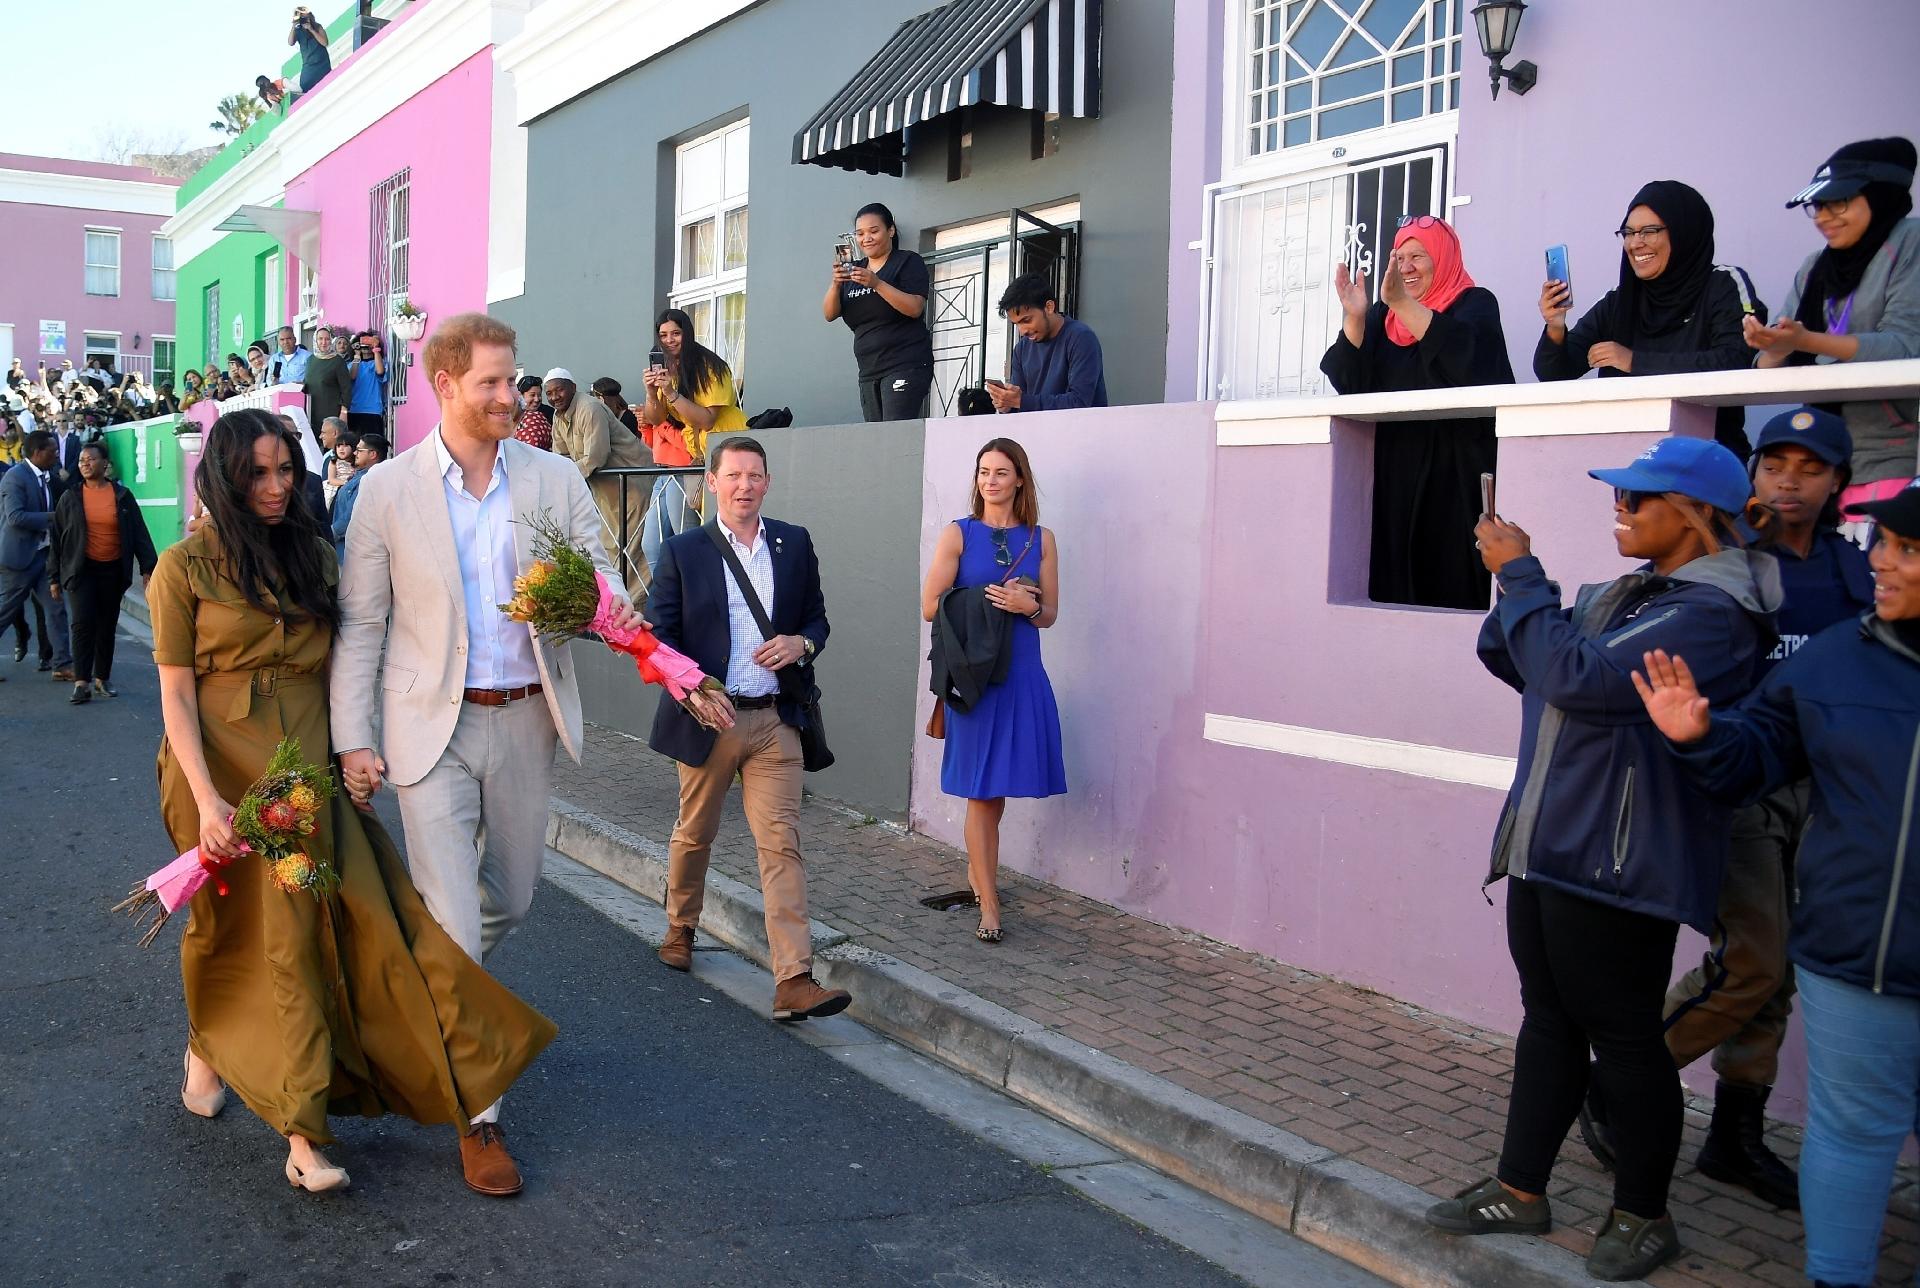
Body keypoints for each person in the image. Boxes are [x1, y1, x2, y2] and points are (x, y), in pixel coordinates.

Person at [154, 407, 554, 1196]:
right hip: (222, 770)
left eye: (285, 470)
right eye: (257, 474)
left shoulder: (315, 556)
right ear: (226, 481)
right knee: (258, 930)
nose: (275, 487)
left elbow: (363, 651)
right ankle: (297, 1130)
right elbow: (173, 693)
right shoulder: (184, 567)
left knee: (345, 926)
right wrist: (205, 802)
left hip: (307, 765)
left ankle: (236, 1062)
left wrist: (358, 749)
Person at [1425, 436, 1780, 1281]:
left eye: (1637, 497)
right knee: (1548, 1019)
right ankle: (1519, 1190)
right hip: (1551, 841)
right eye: (1618, 495)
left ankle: (1644, 1215)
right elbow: (1520, 657)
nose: (1618, 508)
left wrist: (1524, 581)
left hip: (1621, 860)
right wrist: (1523, 601)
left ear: (1694, 515)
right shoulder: (1634, 594)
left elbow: (1576, 679)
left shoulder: (1712, 615)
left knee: (1624, 1040)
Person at [332, 313, 645, 1193]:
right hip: (429, 728)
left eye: (514, 381)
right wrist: (353, 737)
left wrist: (642, 642)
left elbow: (603, 579)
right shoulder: (387, 491)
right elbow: (362, 625)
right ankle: (481, 1117)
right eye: (495, 384)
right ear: (446, 384)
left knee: (511, 893)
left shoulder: (551, 477)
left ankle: (413, 984)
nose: (514, 397)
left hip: (525, 719)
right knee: (459, 923)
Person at [1583, 409, 1875, 1207]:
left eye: (1809, 468)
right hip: (1740, 782)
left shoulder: (1855, 575)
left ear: (1839, 483)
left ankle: (1735, 1132)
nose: (1787, 480)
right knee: (1752, 962)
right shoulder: (1721, 563)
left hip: (1828, 794)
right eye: (1772, 463)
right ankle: (1615, 1080)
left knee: (1775, 977)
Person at [1632, 483, 1920, 1288]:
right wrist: (1703, 735)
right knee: (1853, 1134)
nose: (1882, 564)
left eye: (1907, 551)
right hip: (1856, 959)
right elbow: (1753, 753)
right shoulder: (1838, 655)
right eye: (1883, 543)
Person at [647, 437, 849, 1021]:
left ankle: (794, 978)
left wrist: (800, 644)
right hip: (711, 717)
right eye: (733, 475)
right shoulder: (684, 551)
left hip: (773, 720)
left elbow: (818, 619)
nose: (744, 485)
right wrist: (694, 691)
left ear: (767, 482)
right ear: (712, 483)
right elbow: (660, 638)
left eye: (755, 475)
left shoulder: (794, 543)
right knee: (695, 832)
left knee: (781, 843)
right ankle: (681, 926)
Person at [1322, 215, 1515, 609]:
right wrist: (1355, 318)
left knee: (1453, 579)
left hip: (1456, 470)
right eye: (1399, 256)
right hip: (1397, 467)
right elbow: (1350, 384)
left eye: (1418, 256)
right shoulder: (1382, 316)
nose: (1406, 266)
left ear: (1443, 258)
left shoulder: (1475, 304)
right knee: (1394, 582)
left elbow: (1471, 366)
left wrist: (1402, 303)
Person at [920, 438, 1066, 942]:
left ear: (1019, 479)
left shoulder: (1042, 539)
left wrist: (1027, 607)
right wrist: (992, 599)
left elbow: (1048, 615)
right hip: (976, 679)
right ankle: (989, 902)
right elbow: (930, 605)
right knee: (981, 793)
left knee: (996, 791)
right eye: (984, 471)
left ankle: (978, 877)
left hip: (1022, 674)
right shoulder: (958, 534)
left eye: (1002, 472)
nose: (991, 480)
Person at [1747, 137, 1919, 528]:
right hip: (1818, 466)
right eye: (1817, 205)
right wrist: (1769, 346)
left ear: (1880, 197)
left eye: (1837, 202)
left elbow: (1907, 346)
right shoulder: (1814, 265)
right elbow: (1771, 363)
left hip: (1889, 459)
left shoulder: (1912, 241)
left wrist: (1805, 340)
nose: (1824, 216)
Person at [1536, 181, 1764, 459]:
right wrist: (1556, 326)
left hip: (1708, 463)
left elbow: (1735, 360)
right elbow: (1555, 373)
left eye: (1649, 231)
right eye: (1628, 232)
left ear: (1684, 232)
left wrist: (1634, 361)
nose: (1635, 243)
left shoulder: (1723, 284)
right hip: (1627, 463)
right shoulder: (1620, 300)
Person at [638, 309, 745, 575]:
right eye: (663, 335)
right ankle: (668, 602)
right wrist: (651, 393)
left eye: (676, 333)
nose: (670, 340)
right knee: (653, 543)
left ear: (688, 333)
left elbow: (707, 419)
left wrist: (672, 393)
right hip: (694, 459)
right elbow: (656, 418)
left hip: (724, 451)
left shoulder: (710, 366)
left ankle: (695, 599)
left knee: (690, 538)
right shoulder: (667, 368)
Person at [49, 441, 156, 702]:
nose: (85, 464)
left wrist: (148, 568)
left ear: (105, 463)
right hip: (81, 569)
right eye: (82, 460)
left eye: (91, 459)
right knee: (82, 623)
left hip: (112, 570)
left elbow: (139, 533)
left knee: (106, 625)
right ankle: (81, 681)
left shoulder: (122, 496)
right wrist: (53, 576)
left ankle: (102, 678)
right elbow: (57, 538)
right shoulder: (71, 496)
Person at [822, 202, 933, 421]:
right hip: (868, 370)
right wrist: (835, 284)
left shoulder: (907, 261)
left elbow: (915, 308)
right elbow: (829, 314)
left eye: (874, 231)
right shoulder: (855, 269)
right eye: (860, 234)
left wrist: (877, 283)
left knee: (895, 433)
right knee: (877, 438)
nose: (867, 238)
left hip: (905, 363)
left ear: (890, 230)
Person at [545, 367, 650, 583]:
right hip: (606, 490)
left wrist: (564, 477)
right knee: (611, 547)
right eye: (550, 393)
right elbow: (560, 457)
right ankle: (618, 604)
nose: (554, 397)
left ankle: (635, 607)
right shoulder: (558, 416)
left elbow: (596, 457)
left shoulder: (590, 408)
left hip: (631, 484)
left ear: (573, 388)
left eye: (559, 390)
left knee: (631, 550)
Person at [0, 431, 75, 684]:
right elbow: (16, 517)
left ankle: (62, 664)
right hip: (19, 559)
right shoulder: (15, 477)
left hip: (44, 558)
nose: (57, 453)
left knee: (56, 609)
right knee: (5, 612)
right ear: (37, 453)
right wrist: (55, 517)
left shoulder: (47, 477)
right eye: (53, 450)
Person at [987, 275, 1107, 414]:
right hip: (1035, 433)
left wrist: (1021, 401)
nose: (1022, 331)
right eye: (1017, 324)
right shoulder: (1021, 349)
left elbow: (1079, 402)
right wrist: (1007, 405)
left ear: (1049, 307)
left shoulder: (1081, 337)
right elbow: (1020, 407)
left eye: (1027, 320)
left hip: (1082, 433)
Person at [329, 431, 386, 562]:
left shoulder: (369, 479)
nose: (355, 453)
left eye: (359, 450)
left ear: (372, 454)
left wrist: (331, 533)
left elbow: (351, 514)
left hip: (351, 549)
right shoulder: (360, 475)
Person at [301, 325, 352, 429]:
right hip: (312, 413)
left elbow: (346, 389)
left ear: (331, 340)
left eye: (327, 339)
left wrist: (344, 412)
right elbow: (308, 383)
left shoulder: (338, 361)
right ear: (315, 340)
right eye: (320, 339)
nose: (323, 342)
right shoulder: (310, 360)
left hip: (332, 415)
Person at [347, 331, 387, 437]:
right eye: (363, 342)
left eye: (368, 342)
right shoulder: (352, 364)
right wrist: (356, 354)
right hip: (354, 410)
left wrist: (376, 348)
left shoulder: (378, 362)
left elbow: (380, 371)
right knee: (355, 446)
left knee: (373, 445)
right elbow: (352, 376)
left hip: (373, 410)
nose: (365, 346)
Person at [288, 5, 330, 93]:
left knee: (327, 86)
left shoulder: (317, 26)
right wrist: (294, 25)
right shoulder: (298, 30)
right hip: (309, 66)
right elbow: (290, 43)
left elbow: (325, 43)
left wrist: (311, 29)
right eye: (300, 16)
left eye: (304, 15)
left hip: (322, 64)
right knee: (305, 89)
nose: (302, 18)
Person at [512, 375, 551, 451]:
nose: (537, 399)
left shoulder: (548, 413)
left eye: (539, 395)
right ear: (520, 396)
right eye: (532, 395)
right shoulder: (514, 414)